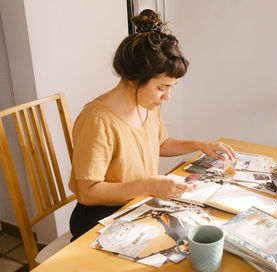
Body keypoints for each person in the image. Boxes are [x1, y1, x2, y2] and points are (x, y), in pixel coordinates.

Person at [69, 9, 236, 241]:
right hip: (100, 218)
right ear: (133, 78)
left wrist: (200, 145)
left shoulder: (147, 105)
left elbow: (160, 143)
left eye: (171, 88)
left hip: (137, 206)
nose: (167, 97)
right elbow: (87, 193)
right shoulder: (97, 120)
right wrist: (147, 184)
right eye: (161, 88)